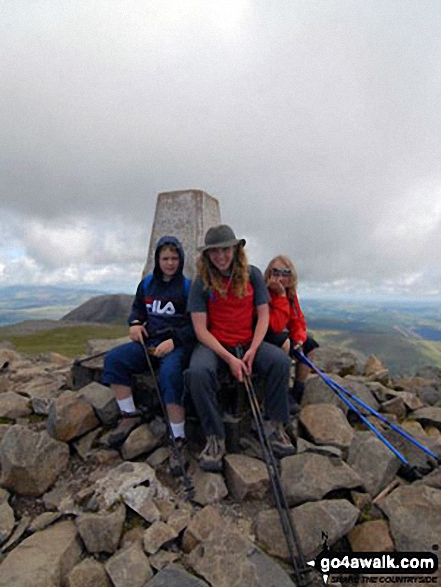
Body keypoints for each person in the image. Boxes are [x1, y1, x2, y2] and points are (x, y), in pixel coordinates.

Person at [185, 224, 296, 472]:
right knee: (197, 373)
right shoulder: (201, 283)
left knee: (279, 361)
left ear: (235, 249)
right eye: (214, 252)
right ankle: (215, 437)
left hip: (248, 341)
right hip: (215, 344)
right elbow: (200, 330)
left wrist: (253, 350)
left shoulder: (253, 275)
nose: (220, 256)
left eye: (225, 249)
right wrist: (230, 359)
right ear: (207, 256)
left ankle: (276, 426)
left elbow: (264, 316)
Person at [102, 236, 194, 475]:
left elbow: (195, 324)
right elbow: (137, 310)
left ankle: (178, 438)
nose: (170, 263)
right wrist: (134, 324)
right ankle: (129, 414)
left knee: (171, 375)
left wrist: (174, 342)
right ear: (157, 259)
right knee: (115, 359)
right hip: (149, 342)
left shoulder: (187, 287)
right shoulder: (146, 284)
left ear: (181, 259)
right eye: (165, 258)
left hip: (175, 346)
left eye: (174, 258)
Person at [263, 255, 319, 413]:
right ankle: (282, 392)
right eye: (275, 272)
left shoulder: (291, 295)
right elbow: (275, 325)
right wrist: (280, 296)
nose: (280, 278)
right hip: (263, 334)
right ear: (268, 274)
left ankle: (297, 391)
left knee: (310, 345)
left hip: (277, 333)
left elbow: (298, 321)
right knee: (285, 343)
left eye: (285, 273)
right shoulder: (265, 293)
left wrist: (300, 339)